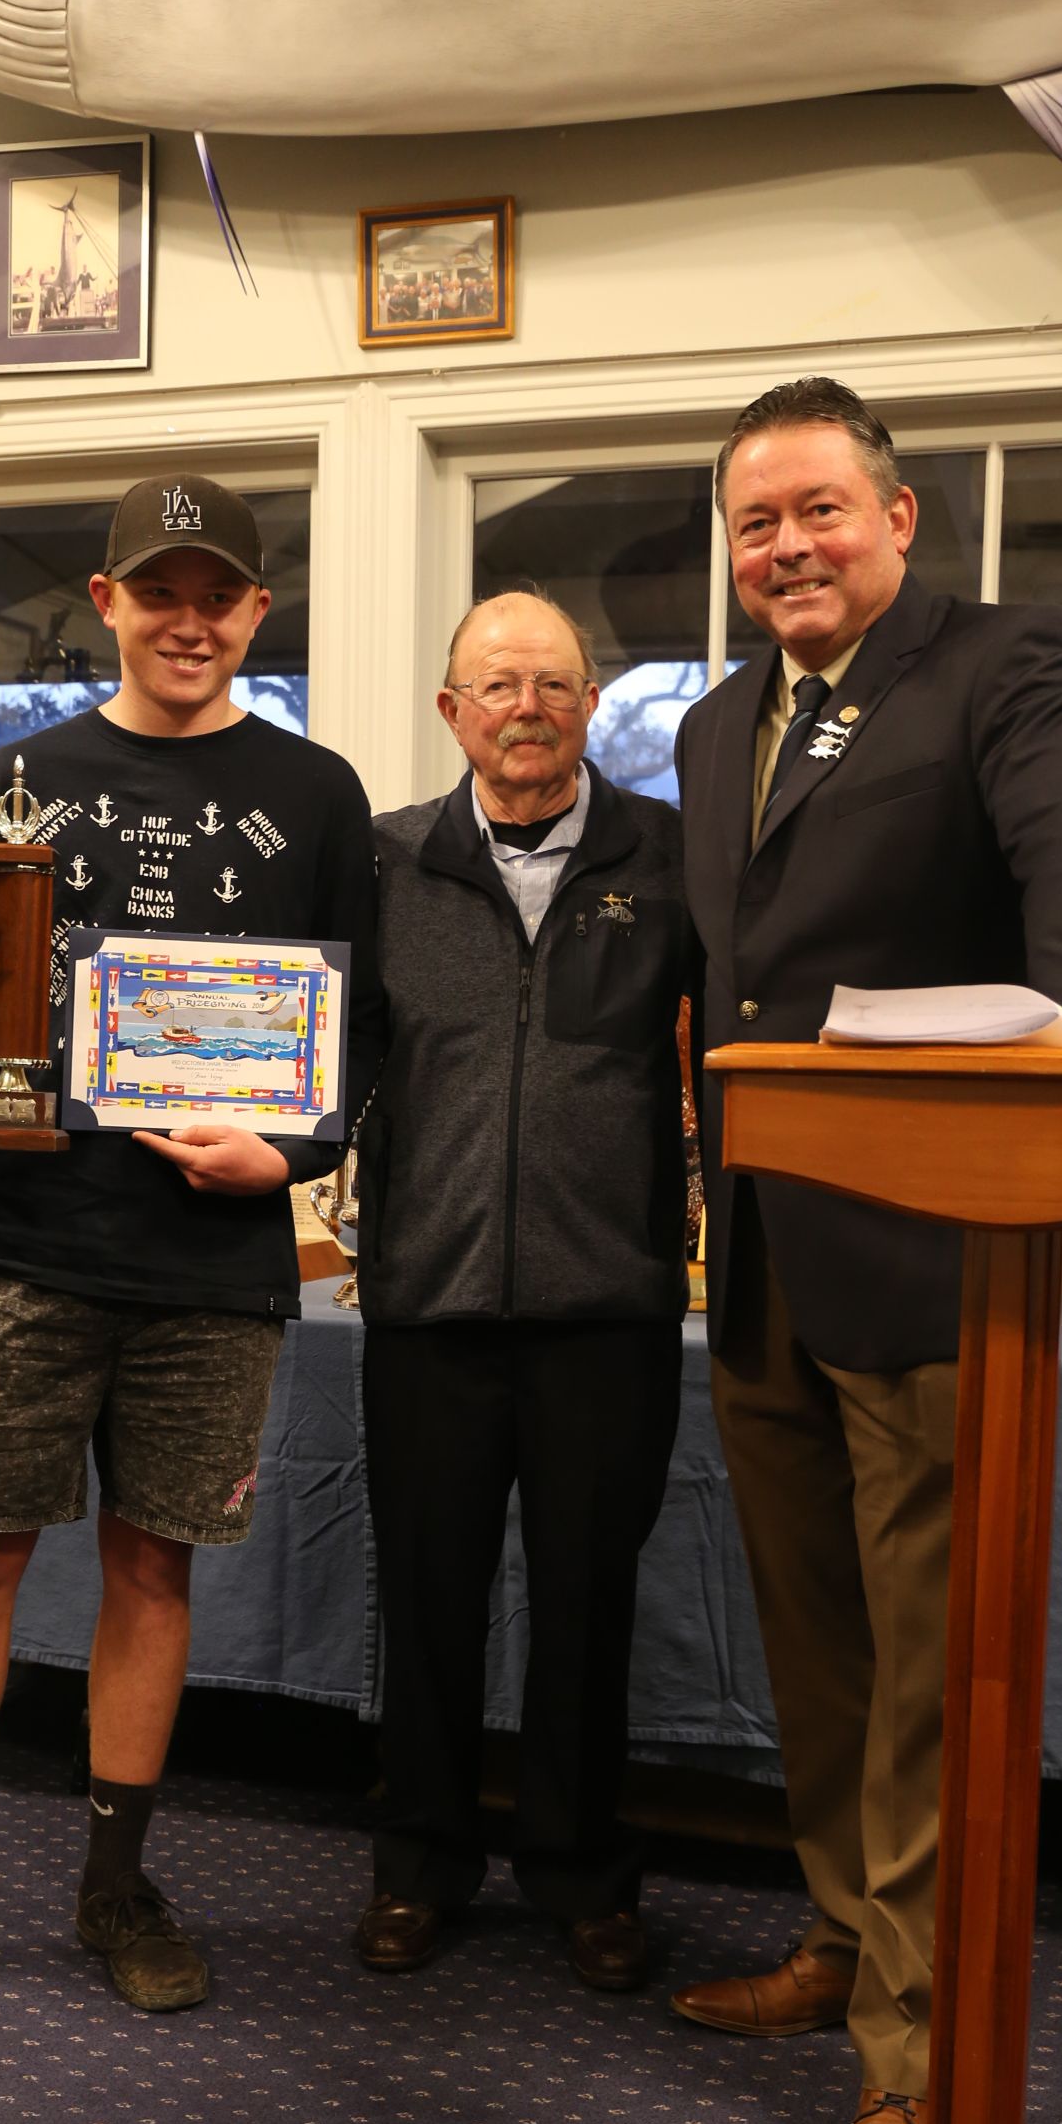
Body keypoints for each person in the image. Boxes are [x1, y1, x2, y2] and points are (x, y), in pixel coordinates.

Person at [671, 378, 1062, 2124]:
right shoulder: (716, 724)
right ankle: (842, 1937)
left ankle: (918, 2057)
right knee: (821, 1652)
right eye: (756, 523)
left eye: (818, 510)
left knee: (936, 1685)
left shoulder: (1010, 667)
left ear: (898, 517)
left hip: (944, 1258)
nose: (786, 547)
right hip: (766, 1262)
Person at [0, 474, 382, 2024]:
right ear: (110, 603)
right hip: (24, 1239)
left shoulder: (318, 793)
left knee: (152, 1565)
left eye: (219, 596)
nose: (189, 622)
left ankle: (116, 1884)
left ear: (257, 611)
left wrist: (295, 1156)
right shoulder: (18, 775)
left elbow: (359, 1031)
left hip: (214, 1258)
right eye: (159, 593)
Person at [354, 588, 690, 1991]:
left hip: (609, 1309)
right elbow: (315, 1057)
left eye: (553, 683)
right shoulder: (384, 862)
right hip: (427, 1303)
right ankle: (419, 1866)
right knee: (426, 1604)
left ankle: (583, 1872)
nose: (526, 708)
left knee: (589, 1609)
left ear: (592, 704)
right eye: (496, 685)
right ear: (453, 713)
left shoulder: (671, 859)